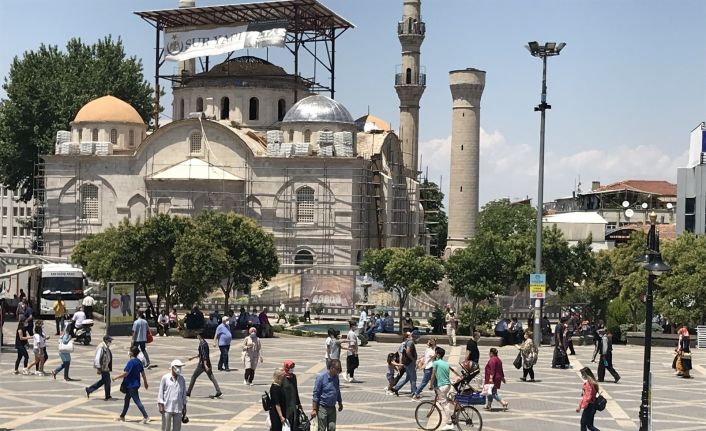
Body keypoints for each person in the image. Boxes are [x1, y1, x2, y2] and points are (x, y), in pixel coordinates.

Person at [113, 346, 150, 423]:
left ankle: (146, 416)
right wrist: (145, 383)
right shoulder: (139, 362)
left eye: (130, 351)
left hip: (131, 385)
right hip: (135, 384)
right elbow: (143, 374)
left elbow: (125, 373)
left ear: (132, 353)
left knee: (137, 401)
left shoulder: (131, 362)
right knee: (126, 400)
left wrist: (116, 377)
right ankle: (122, 416)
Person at [430, 346, 462, 431]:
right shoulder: (446, 363)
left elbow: (433, 375)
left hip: (442, 386)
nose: (435, 354)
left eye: (436, 353)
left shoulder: (436, 363)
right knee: (446, 399)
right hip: (448, 385)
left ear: (438, 354)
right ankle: (456, 404)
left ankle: (449, 423)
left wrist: (430, 385)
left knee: (444, 404)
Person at [186, 333, 222, 398]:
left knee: (194, 377)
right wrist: (193, 357)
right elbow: (201, 354)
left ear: (199, 336)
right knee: (212, 377)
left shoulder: (202, 344)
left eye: (197, 335)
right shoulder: (205, 343)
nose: (197, 336)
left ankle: (188, 392)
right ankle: (218, 390)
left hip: (202, 365)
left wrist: (205, 365)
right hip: (208, 363)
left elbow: (204, 355)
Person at [311, 359, 343, 431]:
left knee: (332, 427)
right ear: (331, 368)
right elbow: (316, 394)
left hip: (332, 408)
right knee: (322, 428)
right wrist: (314, 409)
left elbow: (337, 391)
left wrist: (340, 402)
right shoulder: (321, 378)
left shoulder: (336, 378)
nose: (339, 371)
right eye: (337, 369)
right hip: (322, 408)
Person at [158, 359, 187, 431]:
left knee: (177, 428)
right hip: (167, 407)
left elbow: (184, 393)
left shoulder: (182, 379)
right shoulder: (165, 378)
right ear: (173, 367)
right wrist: (160, 404)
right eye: (177, 366)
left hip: (178, 407)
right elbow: (161, 391)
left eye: (180, 367)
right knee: (166, 428)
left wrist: (184, 406)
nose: (179, 368)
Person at [86, 335, 114, 400]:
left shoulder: (105, 347)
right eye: (109, 341)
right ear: (106, 340)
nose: (110, 342)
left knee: (104, 381)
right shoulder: (101, 347)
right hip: (102, 367)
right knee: (107, 381)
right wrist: (98, 368)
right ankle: (107, 396)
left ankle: (89, 389)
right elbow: (97, 358)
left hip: (105, 367)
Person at [392, 331, 419, 396]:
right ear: (415, 336)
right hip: (410, 362)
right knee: (413, 378)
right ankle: (414, 392)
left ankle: (396, 388)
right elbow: (408, 351)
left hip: (407, 362)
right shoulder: (410, 342)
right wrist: (413, 359)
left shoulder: (407, 342)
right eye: (417, 336)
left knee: (408, 377)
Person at [576, 367, 600, 431]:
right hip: (593, 405)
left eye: (582, 374)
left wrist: (582, 406)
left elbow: (587, 397)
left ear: (586, 374)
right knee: (590, 425)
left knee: (583, 423)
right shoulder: (593, 382)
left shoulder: (589, 384)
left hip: (589, 406)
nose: (582, 376)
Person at [282, 360, 302, 430]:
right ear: (286, 368)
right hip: (285, 405)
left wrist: (299, 404)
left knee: (294, 424)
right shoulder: (282, 377)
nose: (292, 369)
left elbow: (296, 390)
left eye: (293, 367)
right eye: (290, 367)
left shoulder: (294, 377)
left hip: (293, 405)